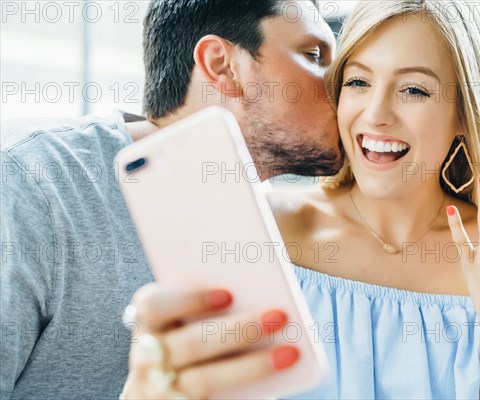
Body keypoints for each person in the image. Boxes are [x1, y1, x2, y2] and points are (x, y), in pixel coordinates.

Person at [123, 1, 480, 399]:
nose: (376, 114)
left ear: (462, 114)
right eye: (358, 82)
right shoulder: (263, 232)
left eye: (413, 89)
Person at [0, 1, 342, 399]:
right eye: (315, 56)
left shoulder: (273, 217)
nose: (343, 82)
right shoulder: (30, 180)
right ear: (224, 66)